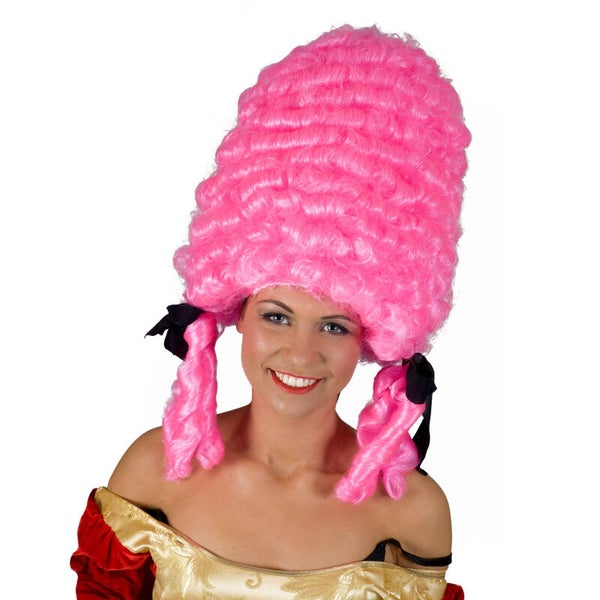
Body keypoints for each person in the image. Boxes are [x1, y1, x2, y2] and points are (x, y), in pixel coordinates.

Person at [71, 24, 470, 599]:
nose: (301, 353)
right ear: (235, 311)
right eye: (277, 316)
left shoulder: (411, 511)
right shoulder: (157, 468)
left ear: (372, 337)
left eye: (334, 325)